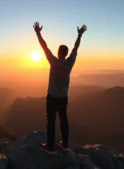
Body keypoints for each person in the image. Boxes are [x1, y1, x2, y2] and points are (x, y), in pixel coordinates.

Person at [33, 22, 87, 153]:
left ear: (58, 52)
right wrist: (79, 35)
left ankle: (50, 145)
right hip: (63, 97)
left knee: (51, 121)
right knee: (64, 119)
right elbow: (76, 48)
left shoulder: (53, 61)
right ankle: (65, 143)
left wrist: (38, 33)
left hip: (51, 96)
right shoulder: (70, 62)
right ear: (66, 53)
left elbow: (44, 47)